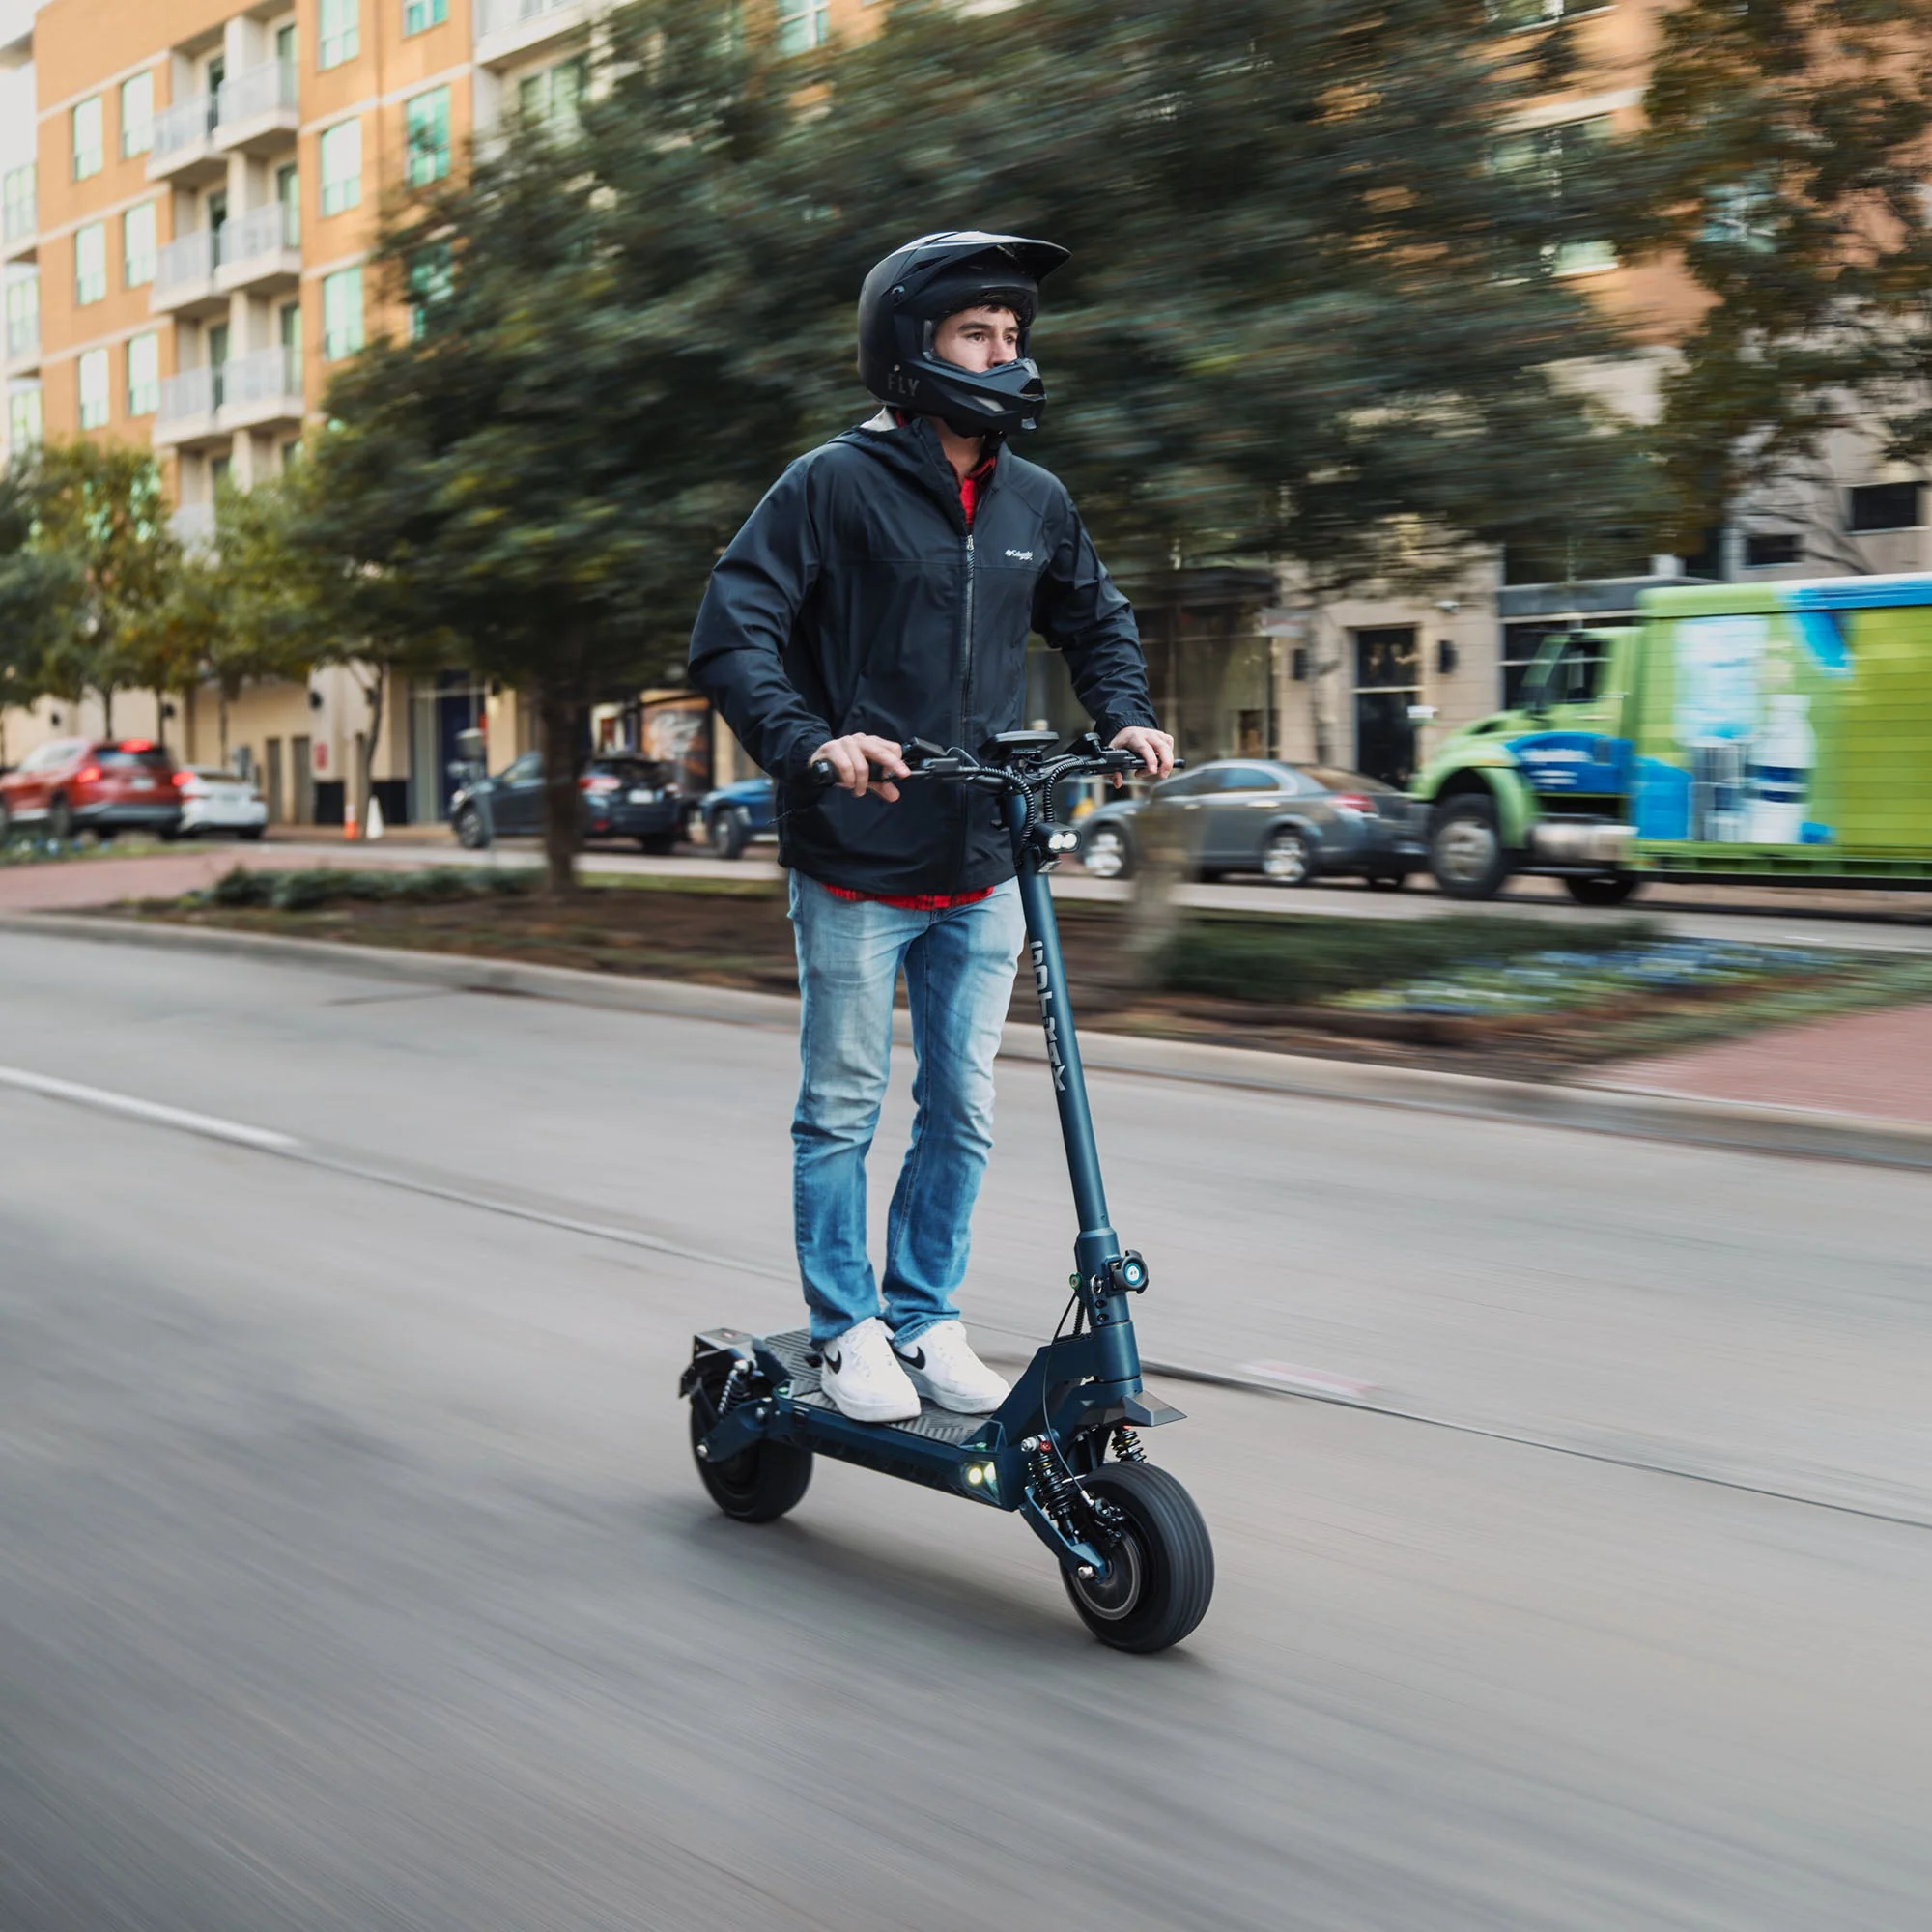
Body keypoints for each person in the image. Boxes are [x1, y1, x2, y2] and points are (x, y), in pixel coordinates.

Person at [689, 230, 1174, 1424]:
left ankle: (924, 1313)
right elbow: (732, 629)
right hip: (856, 856)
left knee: (961, 1105)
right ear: (912, 349)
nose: (1004, 357)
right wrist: (812, 738)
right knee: (842, 1106)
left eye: (1014, 336)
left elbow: (1095, 618)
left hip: (982, 855)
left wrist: (1126, 715)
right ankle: (845, 1325)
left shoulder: (1033, 499)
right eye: (978, 334)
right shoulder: (828, 486)